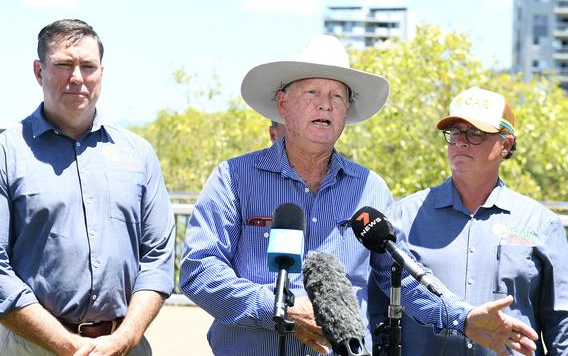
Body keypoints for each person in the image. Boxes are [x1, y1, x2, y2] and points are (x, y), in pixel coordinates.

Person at [179, 35, 538, 356]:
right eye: (313, 94)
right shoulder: (234, 177)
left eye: (337, 96)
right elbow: (199, 271)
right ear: (283, 104)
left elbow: (402, 277)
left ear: (347, 112)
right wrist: (280, 306)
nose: (326, 105)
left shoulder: (370, 187)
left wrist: (465, 317)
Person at [0, 19, 175, 356]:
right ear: (39, 71)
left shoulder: (138, 154)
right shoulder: (7, 153)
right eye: (64, 64)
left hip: (124, 346)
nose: (77, 77)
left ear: (101, 72)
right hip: (31, 347)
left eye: (88, 66)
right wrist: (67, 345)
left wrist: (124, 339)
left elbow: (158, 259)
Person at [368, 86, 568, 355]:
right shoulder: (404, 217)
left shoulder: (540, 223)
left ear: (506, 144)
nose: (460, 141)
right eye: (455, 132)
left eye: (475, 133)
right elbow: (379, 306)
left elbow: (563, 323)